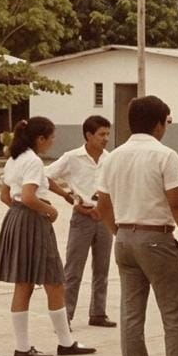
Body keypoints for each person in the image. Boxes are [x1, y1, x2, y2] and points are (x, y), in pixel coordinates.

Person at [96, 96, 178, 356]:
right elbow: (177, 201)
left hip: (124, 238)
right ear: (159, 123)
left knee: (131, 314)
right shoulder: (165, 155)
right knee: (174, 312)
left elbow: (103, 204)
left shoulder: (113, 157)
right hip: (157, 238)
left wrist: (118, 232)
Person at [0, 117, 95, 356]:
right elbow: (29, 196)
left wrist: (64, 197)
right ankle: (65, 342)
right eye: (52, 137)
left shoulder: (14, 159)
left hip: (16, 218)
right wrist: (50, 210)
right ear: (40, 139)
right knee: (54, 281)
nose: (53, 141)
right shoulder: (34, 161)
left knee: (23, 283)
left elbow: (6, 196)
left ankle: (22, 346)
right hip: (34, 220)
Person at [45, 115, 116, 327]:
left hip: (104, 216)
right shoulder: (72, 157)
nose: (105, 138)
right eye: (101, 134)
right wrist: (69, 197)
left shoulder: (109, 158)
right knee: (74, 268)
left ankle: (98, 313)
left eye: (107, 134)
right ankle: (65, 316)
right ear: (88, 135)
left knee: (102, 268)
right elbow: (45, 176)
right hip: (82, 217)